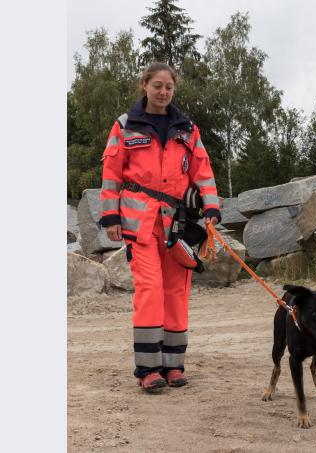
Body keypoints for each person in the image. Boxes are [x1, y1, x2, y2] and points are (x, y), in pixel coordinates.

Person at [98, 62, 221, 391]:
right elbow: (111, 174)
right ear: (144, 85)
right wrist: (110, 216)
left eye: (169, 87)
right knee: (150, 291)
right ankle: (148, 370)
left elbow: (203, 170)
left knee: (176, 292)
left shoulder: (187, 129)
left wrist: (211, 207)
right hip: (139, 224)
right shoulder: (125, 126)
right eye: (158, 86)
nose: (163, 92)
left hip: (176, 226)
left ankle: (173, 366)